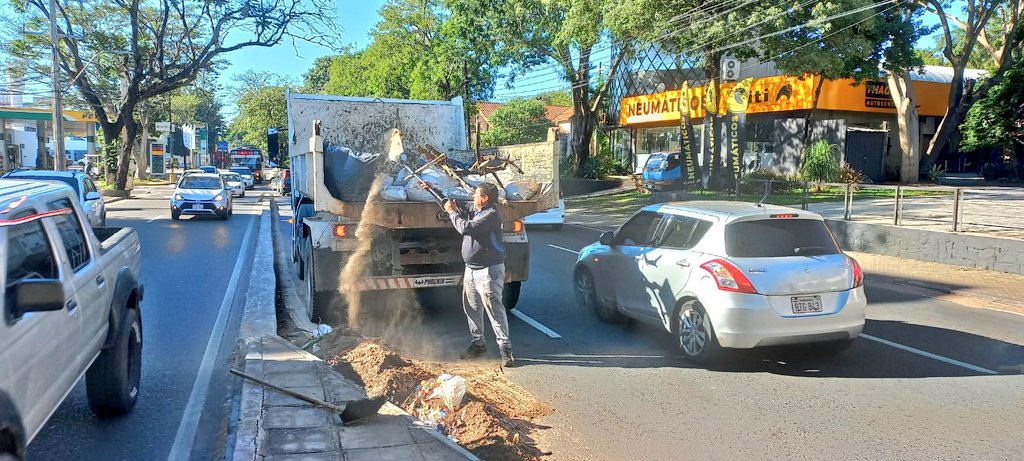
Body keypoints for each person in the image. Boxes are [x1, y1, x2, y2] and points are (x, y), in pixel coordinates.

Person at [441, 182, 514, 367]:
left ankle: (506, 349)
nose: (473, 197)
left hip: (488, 270)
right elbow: (463, 206)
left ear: (485, 198)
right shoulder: (479, 210)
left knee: (494, 309)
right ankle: (478, 344)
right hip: (471, 269)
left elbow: (466, 228)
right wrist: (435, 192)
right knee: (472, 308)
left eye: (476, 195)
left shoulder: (491, 215)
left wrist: (452, 212)